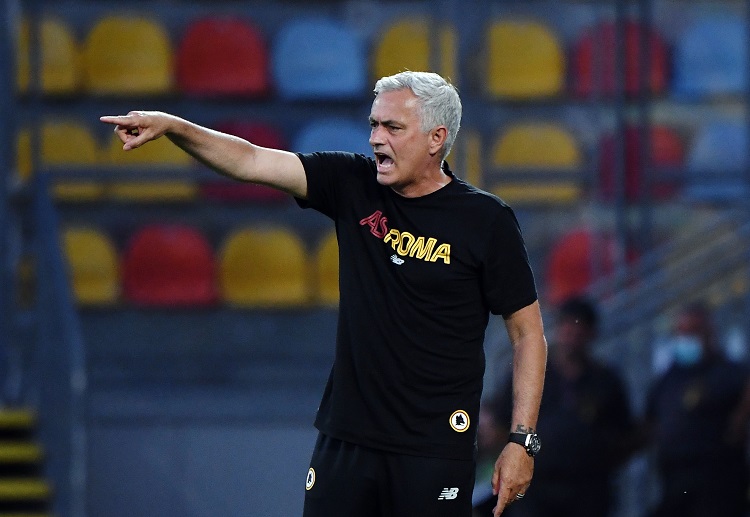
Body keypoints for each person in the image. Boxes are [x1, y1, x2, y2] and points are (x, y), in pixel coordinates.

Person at [100, 71, 547, 517]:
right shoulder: (352, 182)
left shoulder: (486, 221)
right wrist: (175, 126)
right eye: (374, 124)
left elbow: (528, 335)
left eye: (392, 127)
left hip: (433, 449)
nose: (375, 139)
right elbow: (251, 160)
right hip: (346, 440)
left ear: (436, 138)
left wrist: (521, 440)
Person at [491, 295, 638, 517]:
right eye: (568, 330)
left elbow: (625, 434)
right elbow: (500, 423)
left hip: (587, 490)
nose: (572, 338)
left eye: (579, 332)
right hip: (535, 488)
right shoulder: (530, 374)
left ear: (591, 334)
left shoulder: (605, 380)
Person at [645, 302, 750, 517]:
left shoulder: (729, 373)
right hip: (675, 479)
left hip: (718, 480)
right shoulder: (668, 379)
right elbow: (650, 421)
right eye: (681, 332)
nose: (686, 338)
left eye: (693, 331)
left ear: (709, 333)